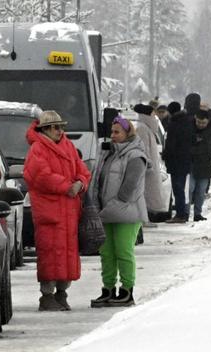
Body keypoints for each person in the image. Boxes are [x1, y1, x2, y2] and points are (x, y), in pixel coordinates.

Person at [24, 110, 92, 311]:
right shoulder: (38, 149)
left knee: (67, 254)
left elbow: (83, 170)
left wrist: (80, 183)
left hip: (69, 211)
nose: (60, 130)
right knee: (50, 253)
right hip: (50, 212)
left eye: (61, 126)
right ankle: (47, 295)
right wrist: (66, 186)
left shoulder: (68, 146)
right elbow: (40, 176)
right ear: (44, 129)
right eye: (55, 127)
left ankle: (62, 292)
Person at [90, 116, 149, 308]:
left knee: (124, 251)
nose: (113, 135)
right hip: (107, 211)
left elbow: (129, 188)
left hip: (127, 212)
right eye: (112, 132)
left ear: (127, 133)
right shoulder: (108, 154)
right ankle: (108, 289)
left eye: (117, 132)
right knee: (106, 253)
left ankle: (127, 290)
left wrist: (115, 204)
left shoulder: (136, 156)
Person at [161, 94, 200, 223]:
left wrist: (165, 155)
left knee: (177, 189)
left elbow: (171, 144)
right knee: (181, 188)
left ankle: (180, 214)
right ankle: (182, 213)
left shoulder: (174, 124)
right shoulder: (188, 121)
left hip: (176, 161)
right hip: (185, 160)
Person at [131, 103, 169, 224]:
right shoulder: (142, 128)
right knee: (145, 193)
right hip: (147, 168)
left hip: (149, 167)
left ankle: (146, 218)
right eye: (152, 113)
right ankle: (144, 219)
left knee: (148, 193)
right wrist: (148, 164)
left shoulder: (145, 127)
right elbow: (143, 149)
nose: (155, 115)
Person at [190, 105, 211, 222]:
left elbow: (208, 147)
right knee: (190, 188)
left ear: (208, 121)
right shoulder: (190, 127)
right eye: (198, 122)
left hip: (205, 164)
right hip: (191, 163)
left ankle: (197, 214)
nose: (201, 125)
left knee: (201, 190)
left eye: (203, 123)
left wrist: (196, 145)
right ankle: (186, 212)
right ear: (195, 118)